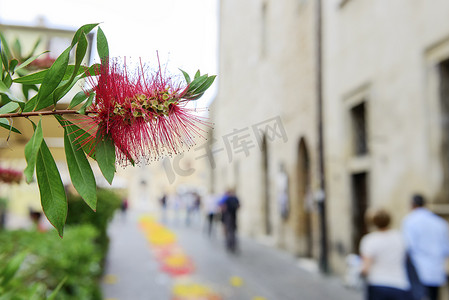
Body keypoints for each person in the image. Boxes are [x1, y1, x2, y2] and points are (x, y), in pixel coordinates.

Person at [402, 194, 449, 300]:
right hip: (437, 270)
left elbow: (408, 246)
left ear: (412, 204)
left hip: (418, 270)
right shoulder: (440, 222)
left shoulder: (410, 220)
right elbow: (446, 248)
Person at [360, 208, 411, 300]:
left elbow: (365, 269)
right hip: (400, 284)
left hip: (377, 283)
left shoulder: (370, 240)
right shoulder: (400, 237)